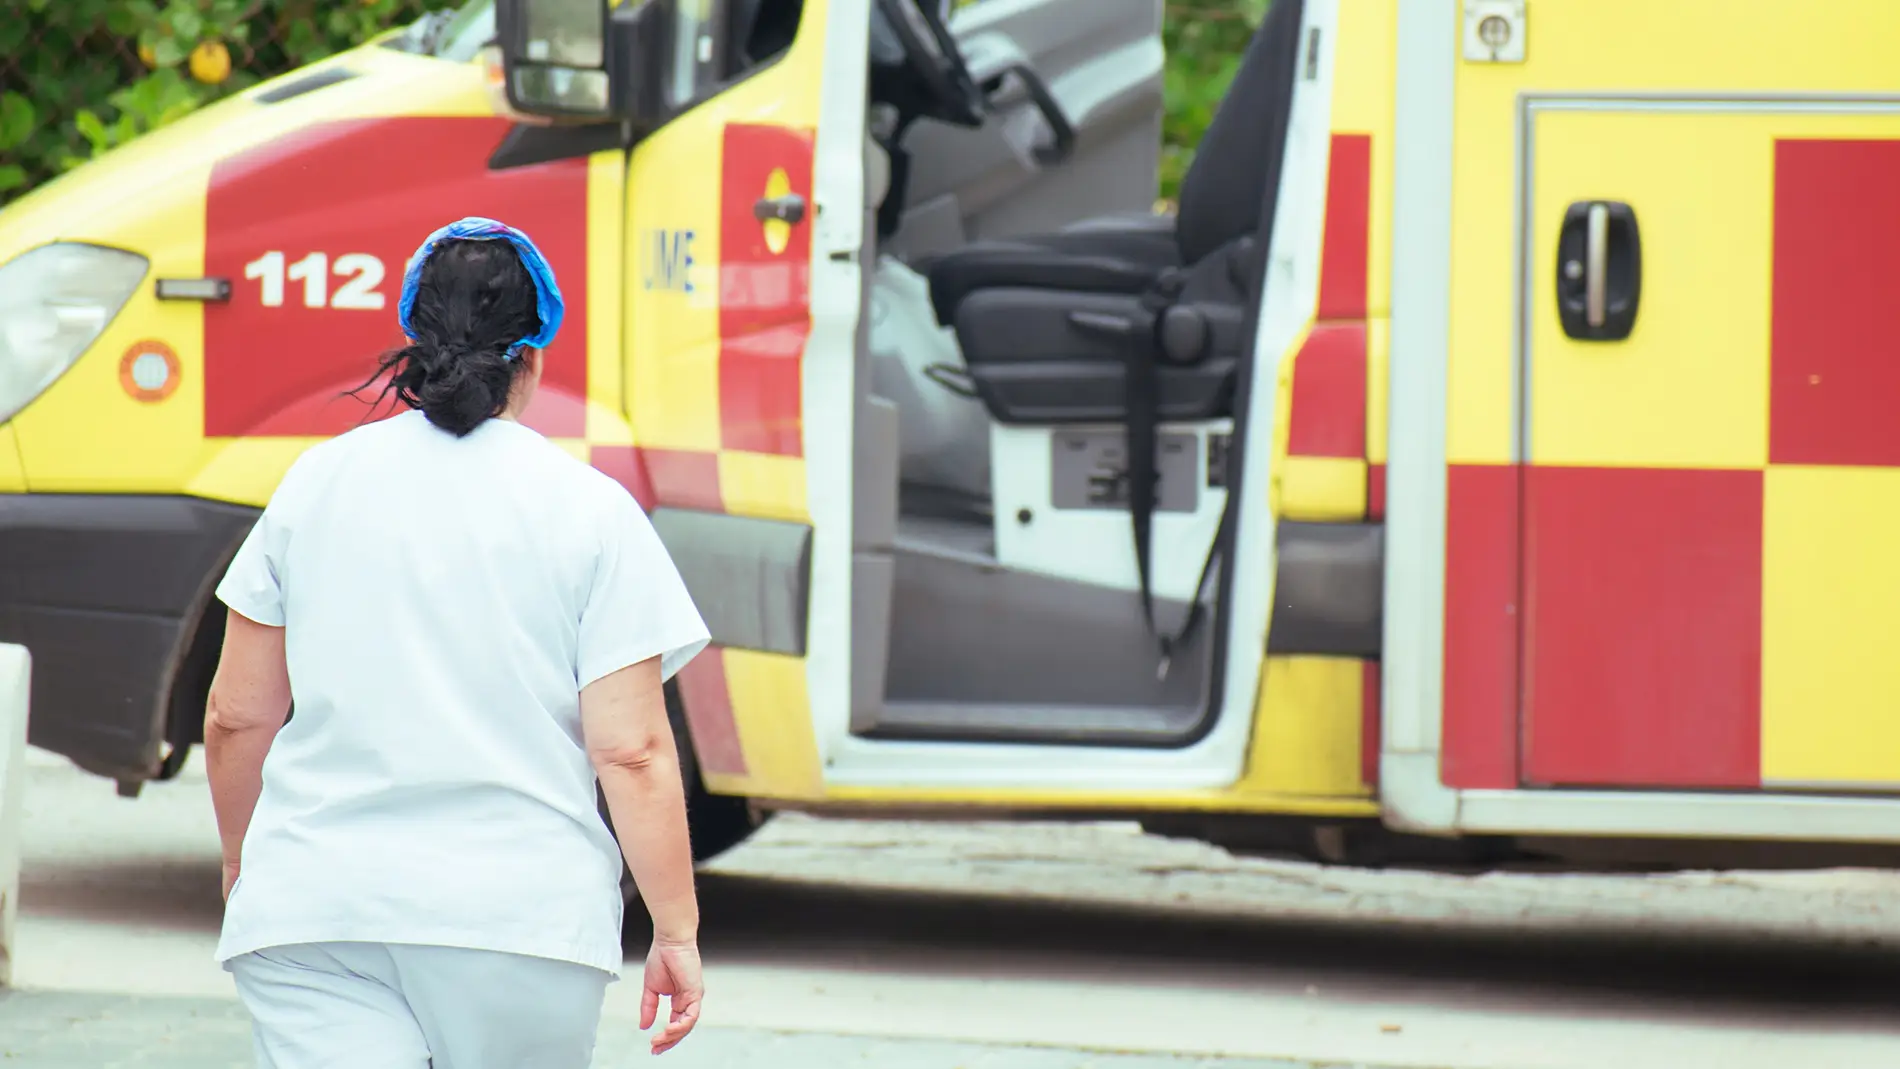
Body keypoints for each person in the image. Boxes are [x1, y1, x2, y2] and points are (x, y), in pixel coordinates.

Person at [202, 216, 711, 1067]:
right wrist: (677, 929)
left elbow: (234, 714)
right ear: (535, 356)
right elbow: (632, 750)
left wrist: (243, 860)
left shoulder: (315, 484)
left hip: (315, 906)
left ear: (412, 336)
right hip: (519, 920)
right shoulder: (589, 509)